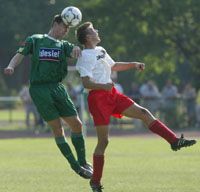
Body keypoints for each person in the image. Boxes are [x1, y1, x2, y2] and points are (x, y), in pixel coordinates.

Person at [75, 22, 197, 192]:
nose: (96, 31)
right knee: (104, 141)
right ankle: (95, 182)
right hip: (98, 98)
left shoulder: (101, 50)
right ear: (88, 37)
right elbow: (86, 82)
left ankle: (174, 141)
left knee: (143, 112)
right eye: (93, 30)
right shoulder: (84, 56)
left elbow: (114, 65)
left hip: (112, 94)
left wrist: (133, 64)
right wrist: (104, 87)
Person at [4, 14, 93, 179]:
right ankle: (76, 167)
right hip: (39, 89)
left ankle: (83, 161)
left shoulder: (63, 45)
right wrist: (10, 66)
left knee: (77, 124)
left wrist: (77, 49)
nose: (66, 31)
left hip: (57, 88)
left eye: (68, 28)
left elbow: (75, 52)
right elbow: (20, 54)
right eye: (64, 27)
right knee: (58, 128)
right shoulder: (36, 39)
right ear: (56, 24)